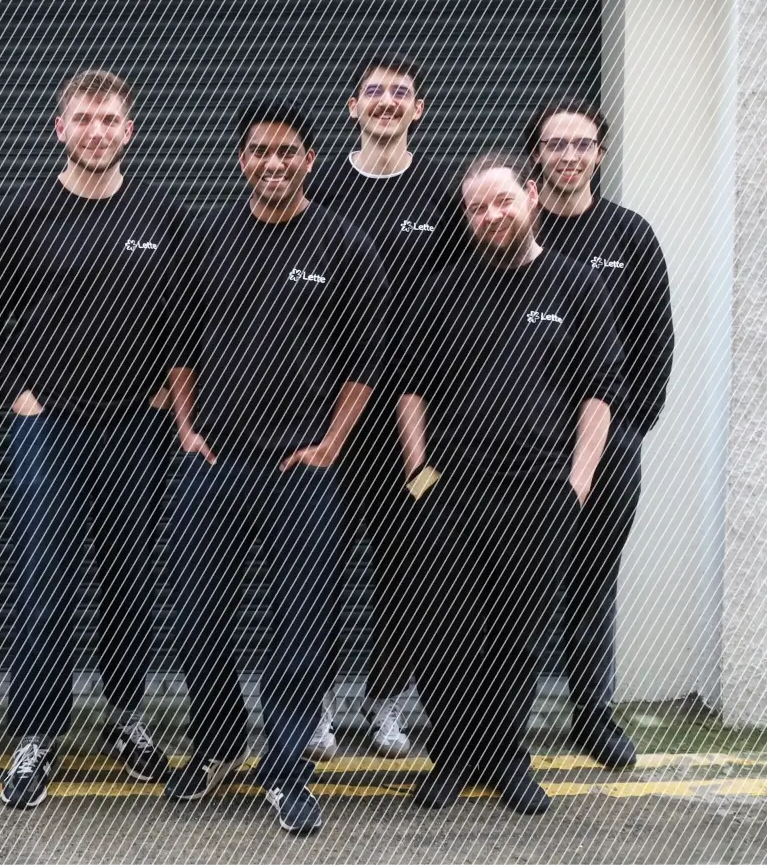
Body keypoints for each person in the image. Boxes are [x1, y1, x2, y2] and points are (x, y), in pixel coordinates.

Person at [161, 99, 389, 834]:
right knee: (197, 617)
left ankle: (285, 766)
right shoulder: (208, 238)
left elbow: (367, 361)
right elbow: (180, 346)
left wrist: (331, 444)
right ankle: (221, 742)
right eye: (260, 150)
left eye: (288, 151)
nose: (273, 163)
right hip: (216, 462)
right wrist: (187, 425)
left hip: (304, 469)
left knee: (302, 624)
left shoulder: (345, 244)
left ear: (309, 161)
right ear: (241, 159)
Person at [0, 69, 188, 809]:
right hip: (49, 430)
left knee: (129, 576)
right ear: (59, 128)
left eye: (110, 119)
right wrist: (18, 395)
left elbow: (192, 312)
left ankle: (127, 718)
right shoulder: (26, 213)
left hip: (135, 427)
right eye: (84, 118)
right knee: (43, 582)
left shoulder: (163, 215)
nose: (97, 131)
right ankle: (36, 732)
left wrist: (168, 385)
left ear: (131, 130)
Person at [397, 151, 624, 815]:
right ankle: (455, 753)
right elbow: (410, 389)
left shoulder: (576, 286)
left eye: (501, 201)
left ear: (529, 196)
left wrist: (577, 483)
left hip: (539, 492)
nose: (490, 216)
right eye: (476, 208)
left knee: (517, 632)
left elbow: (599, 392)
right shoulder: (442, 291)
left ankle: (503, 755)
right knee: (444, 627)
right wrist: (419, 477)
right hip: (450, 490)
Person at [310, 52, 463, 760]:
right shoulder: (323, 185)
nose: (387, 102)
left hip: (413, 428)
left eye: (401, 93)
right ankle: (316, 705)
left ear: (418, 109)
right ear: (353, 106)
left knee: (408, 563)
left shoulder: (442, 191)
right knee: (314, 561)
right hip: (325, 419)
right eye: (374, 92)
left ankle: (384, 703)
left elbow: (473, 298)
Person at [527, 98, 675, 768]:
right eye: (555, 144)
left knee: (591, 580)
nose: (568, 156)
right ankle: (501, 722)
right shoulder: (517, 232)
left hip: (608, 448)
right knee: (513, 583)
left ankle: (593, 715)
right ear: (536, 153)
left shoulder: (629, 236)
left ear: (600, 152)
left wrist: (627, 430)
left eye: (581, 144)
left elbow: (655, 343)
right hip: (525, 449)